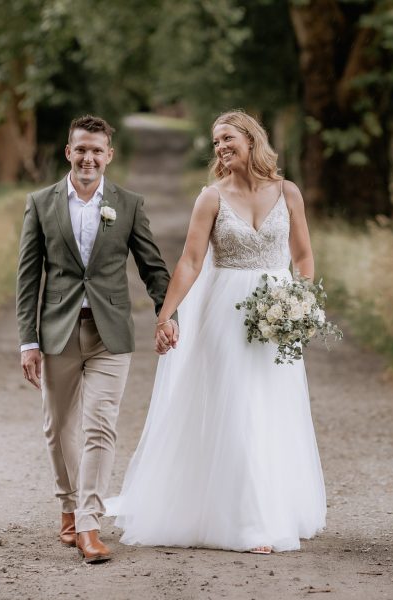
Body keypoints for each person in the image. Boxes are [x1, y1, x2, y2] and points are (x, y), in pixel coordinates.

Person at [107, 110, 326, 553]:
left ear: (250, 139)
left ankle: (273, 506)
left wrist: (300, 306)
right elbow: (189, 262)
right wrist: (166, 315)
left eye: (228, 138)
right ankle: (248, 523)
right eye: (216, 142)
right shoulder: (210, 198)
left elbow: (303, 258)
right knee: (237, 405)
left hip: (277, 314)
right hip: (224, 312)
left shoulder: (288, 192)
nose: (221, 148)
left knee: (270, 408)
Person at [15, 115, 177, 564]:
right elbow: (28, 278)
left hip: (111, 334)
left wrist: (168, 315)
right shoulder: (41, 203)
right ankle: (68, 505)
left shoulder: (127, 204)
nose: (89, 158)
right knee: (58, 426)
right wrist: (28, 341)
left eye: (97, 151)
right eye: (81, 149)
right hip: (57, 332)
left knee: (100, 426)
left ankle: (89, 522)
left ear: (109, 155)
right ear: (69, 152)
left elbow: (153, 267)